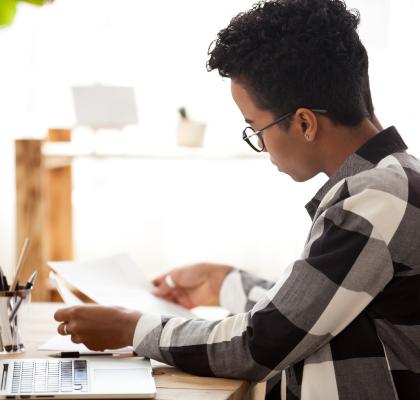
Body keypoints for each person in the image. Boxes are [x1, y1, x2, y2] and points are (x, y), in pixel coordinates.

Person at [54, 0, 420, 398]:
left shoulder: (376, 198)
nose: (259, 144)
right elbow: (313, 310)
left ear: (304, 123)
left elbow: (262, 343)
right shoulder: (391, 182)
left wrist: (132, 328)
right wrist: (224, 283)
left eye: (255, 128)